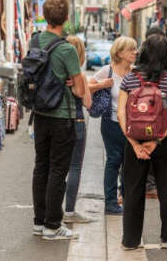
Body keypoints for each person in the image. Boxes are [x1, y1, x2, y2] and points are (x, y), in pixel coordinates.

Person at [117, 34, 167, 250]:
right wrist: (157, 141)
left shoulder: (129, 79)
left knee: (133, 190)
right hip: (164, 142)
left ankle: (131, 240)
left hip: (134, 139)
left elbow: (121, 115)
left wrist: (135, 144)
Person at [31, 0, 86, 240]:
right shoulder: (66, 49)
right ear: (65, 18)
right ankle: (53, 225)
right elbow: (79, 90)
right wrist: (70, 82)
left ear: (45, 15)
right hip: (62, 115)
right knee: (58, 170)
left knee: (41, 166)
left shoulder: (34, 41)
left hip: (40, 113)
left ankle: (39, 221)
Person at [89, 36, 138, 215]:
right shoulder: (107, 71)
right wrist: (101, 84)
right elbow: (86, 87)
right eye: (131, 49)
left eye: (135, 49)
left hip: (132, 125)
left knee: (129, 163)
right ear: (119, 53)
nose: (135, 52)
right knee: (113, 161)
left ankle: (125, 199)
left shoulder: (135, 73)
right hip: (111, 123)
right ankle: (110, 203)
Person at [63, 36, 93, 224]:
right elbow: (87, 102)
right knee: (74, 167)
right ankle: (69, 211)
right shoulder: (79, 75)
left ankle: (51, 210)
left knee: (57, 168)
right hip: (77, 121)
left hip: (58, 121)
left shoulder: (58, 73)